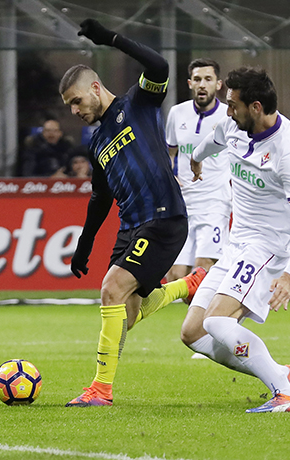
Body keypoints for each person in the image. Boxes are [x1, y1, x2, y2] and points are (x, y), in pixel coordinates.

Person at [59, 19, 206, 407]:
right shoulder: (97, 142)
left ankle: (100, 390)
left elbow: (158, 66)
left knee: (111, 288)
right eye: (68, 106)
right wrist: (83, 246)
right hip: (131, 226)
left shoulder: (136, 104)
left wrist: (108, 39)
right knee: (124, 314)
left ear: (95, 87)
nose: (74, 110)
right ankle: (187, 285)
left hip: (163, 217)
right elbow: (99, 198)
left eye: (76, 100)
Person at [184, 67, 290, 413]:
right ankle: (286, 375)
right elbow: (214, 139)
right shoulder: (233, 125)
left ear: (255, 107)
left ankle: (286, 394)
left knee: (217, 322)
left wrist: (288, 276)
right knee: (194, 333)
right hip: (236, 243)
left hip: (268, 249)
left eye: (233, 105)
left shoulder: (289, 152)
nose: (227, 111)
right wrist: (196, 159)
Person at [165, 58, 231, 286]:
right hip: (183, 205)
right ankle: (203, 319)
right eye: (198, 79)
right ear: (190, 83)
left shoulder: (228, 117)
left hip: (215, 203)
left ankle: (211, 321)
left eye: (208, 79)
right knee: (176, 277)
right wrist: (168, 175)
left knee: (203, 272)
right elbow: (169, 152)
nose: (202, 84)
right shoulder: (177, 113)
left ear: (219, 84)